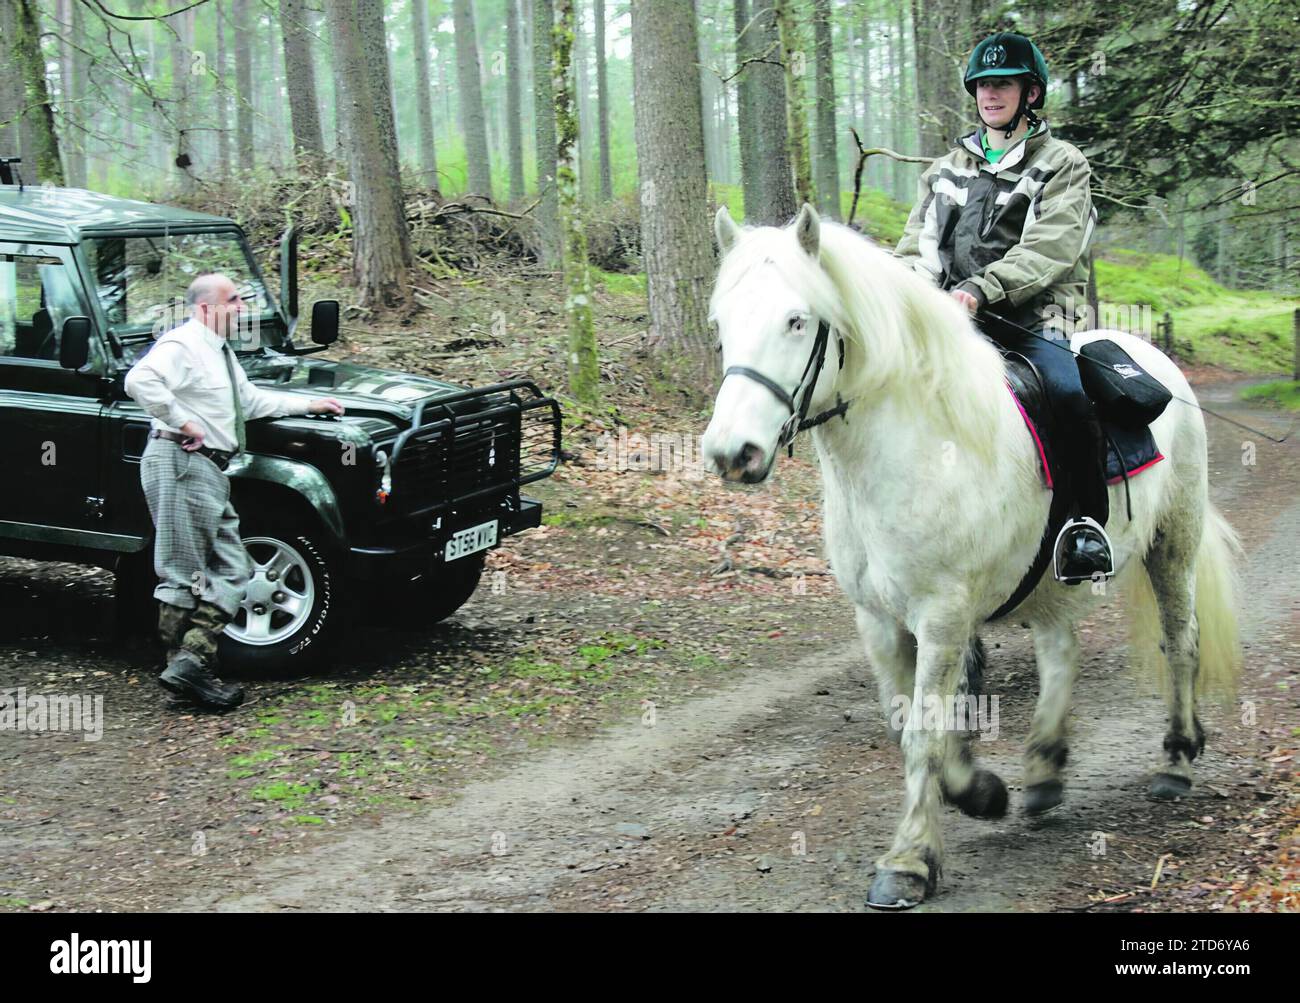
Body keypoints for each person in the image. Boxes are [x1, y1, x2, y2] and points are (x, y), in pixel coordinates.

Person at [893, 30, 1113, 583]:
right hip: (955, 320)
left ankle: (1085, 529)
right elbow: (916, 248)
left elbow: (1052, 247)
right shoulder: (946, 170)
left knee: (1066, 393)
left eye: (1004, 85)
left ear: (1031, 94)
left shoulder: (1062, 163)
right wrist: (906, 300)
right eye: (984, 85)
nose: (991, 94)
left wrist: (981, 288)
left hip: (1037, 320)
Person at [124, 273, 344, 710]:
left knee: (235, 568)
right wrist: (183, 421)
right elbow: (139, 381)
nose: (242, 307)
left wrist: (309, 405)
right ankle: (186, 668)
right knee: (184, 573)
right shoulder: (182, 344)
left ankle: (190, 661)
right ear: (206, 308)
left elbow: (251, 404)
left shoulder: (219, 352)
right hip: (179, 462)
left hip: (209, 470)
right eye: (233, 300)